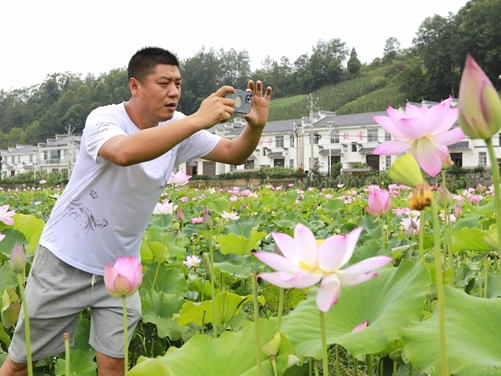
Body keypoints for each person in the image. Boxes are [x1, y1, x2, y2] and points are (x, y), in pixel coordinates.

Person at [0, 46, 272, 376]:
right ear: (135, 86)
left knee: (114, 364)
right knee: (20, 364)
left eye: (178, 83)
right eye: (164, 83)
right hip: (65, 260)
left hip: (120, 269)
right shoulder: (105, 119)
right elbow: (124, 153)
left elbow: (232, 152)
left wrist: (254, 127)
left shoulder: (180, 127)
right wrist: (200, 119)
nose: (174, 92)